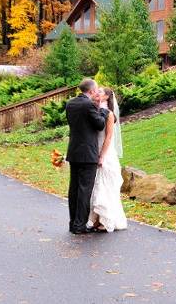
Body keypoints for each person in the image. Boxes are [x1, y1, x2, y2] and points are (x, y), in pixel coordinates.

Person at [65, 78, 109, 234]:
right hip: (87, 153)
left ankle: (72, 223)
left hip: (74, 151)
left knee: (74, 189)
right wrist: (103, 109)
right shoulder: (89, 104)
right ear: (90, 91)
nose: (97, 92)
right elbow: (99, 124)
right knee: (84, 190)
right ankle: (79, 225)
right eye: (96, 90)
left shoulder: (70, 103)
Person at [86, 87, 128, 232]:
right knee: (95, 186)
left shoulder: (109, 114)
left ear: (106, 97)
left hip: (105, 152)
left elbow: (109, 137)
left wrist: (102, 155)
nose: (97, 93)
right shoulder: (95, 111)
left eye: (100, 92)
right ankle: (97, 219)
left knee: (104, 185)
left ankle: (107, 219)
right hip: (94, 149)